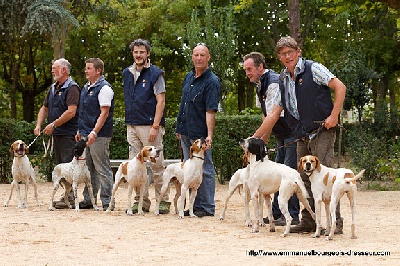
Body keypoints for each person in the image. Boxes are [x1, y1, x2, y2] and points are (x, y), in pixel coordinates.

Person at [252, 36, 346, 234]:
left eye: (290, 52)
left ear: (298, 52)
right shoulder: (283, 79)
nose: (287, 57)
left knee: (325, 177)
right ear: (279, 57)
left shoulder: (314, 69)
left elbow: (340, 87)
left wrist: (334, 115)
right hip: (300, 133)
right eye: (283, 54)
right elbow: (274, 113)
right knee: (303, 178)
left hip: (322, 130)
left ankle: (335, 223)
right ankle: (310, 221)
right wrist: (255, 137)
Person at [242, 52, 300, 226]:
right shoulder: (259, 84)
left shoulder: (273, 82)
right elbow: (265, 114)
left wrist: (254, 139)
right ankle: (276, 214)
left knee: (288, 175)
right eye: (245, 70)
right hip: (280, 134)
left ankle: (293, 215)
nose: (247, 73)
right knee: (275, 176)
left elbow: (273, 116)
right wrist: (263, 139)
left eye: (250, 69)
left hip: (291, 133)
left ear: (260, 67)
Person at [122, 38, 170, 214]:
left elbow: (161, 101)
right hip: (132, 125)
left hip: (150, 125)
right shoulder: (126, 73)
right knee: (135, 166)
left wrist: (155, 126)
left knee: (157, 165)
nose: (138, 55)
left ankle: (163, 200)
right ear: (132, 53)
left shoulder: (156, 74)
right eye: (136, 52)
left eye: (142, 52)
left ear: (148, 53)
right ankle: (141, 201)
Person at [175, 43, 220, 217]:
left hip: (200, 134)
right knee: (188, 170)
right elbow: (183, 104)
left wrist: (209, 135)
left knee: (205, 169)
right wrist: (179, 127)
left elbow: (210, 110)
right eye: (196, 55)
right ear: (192, 57)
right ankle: (192, 207)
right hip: (185, 130)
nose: (199, 58)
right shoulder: (188, 77)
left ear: (208, 58)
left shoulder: (212, 81)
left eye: (203, 55)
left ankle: (207, 207)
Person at [34, 58, 80, 209]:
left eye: (55, 68)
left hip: (68, 133)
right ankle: (67, 196)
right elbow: (44, 108)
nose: (52, 70)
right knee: (60, 167)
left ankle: (71, 197)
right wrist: (39, 124)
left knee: (69, 167)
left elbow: (71, 112)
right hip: (57, 134)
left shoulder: (72, 88)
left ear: (64, 70)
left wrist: (53, 124)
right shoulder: (53, 88)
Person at [77, 58, 114, 211]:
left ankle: (108, 201)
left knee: (102, 168)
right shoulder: (85, 87)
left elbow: (104, 113)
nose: (86, 71)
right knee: (89, 168)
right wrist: (80, 130)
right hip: (86, 132)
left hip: (99, 134)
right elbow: (83, 112)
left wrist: (94, 132)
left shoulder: (105, 88)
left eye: (89, 68)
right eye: (86, 68)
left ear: (98, 70)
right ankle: (89, 199)